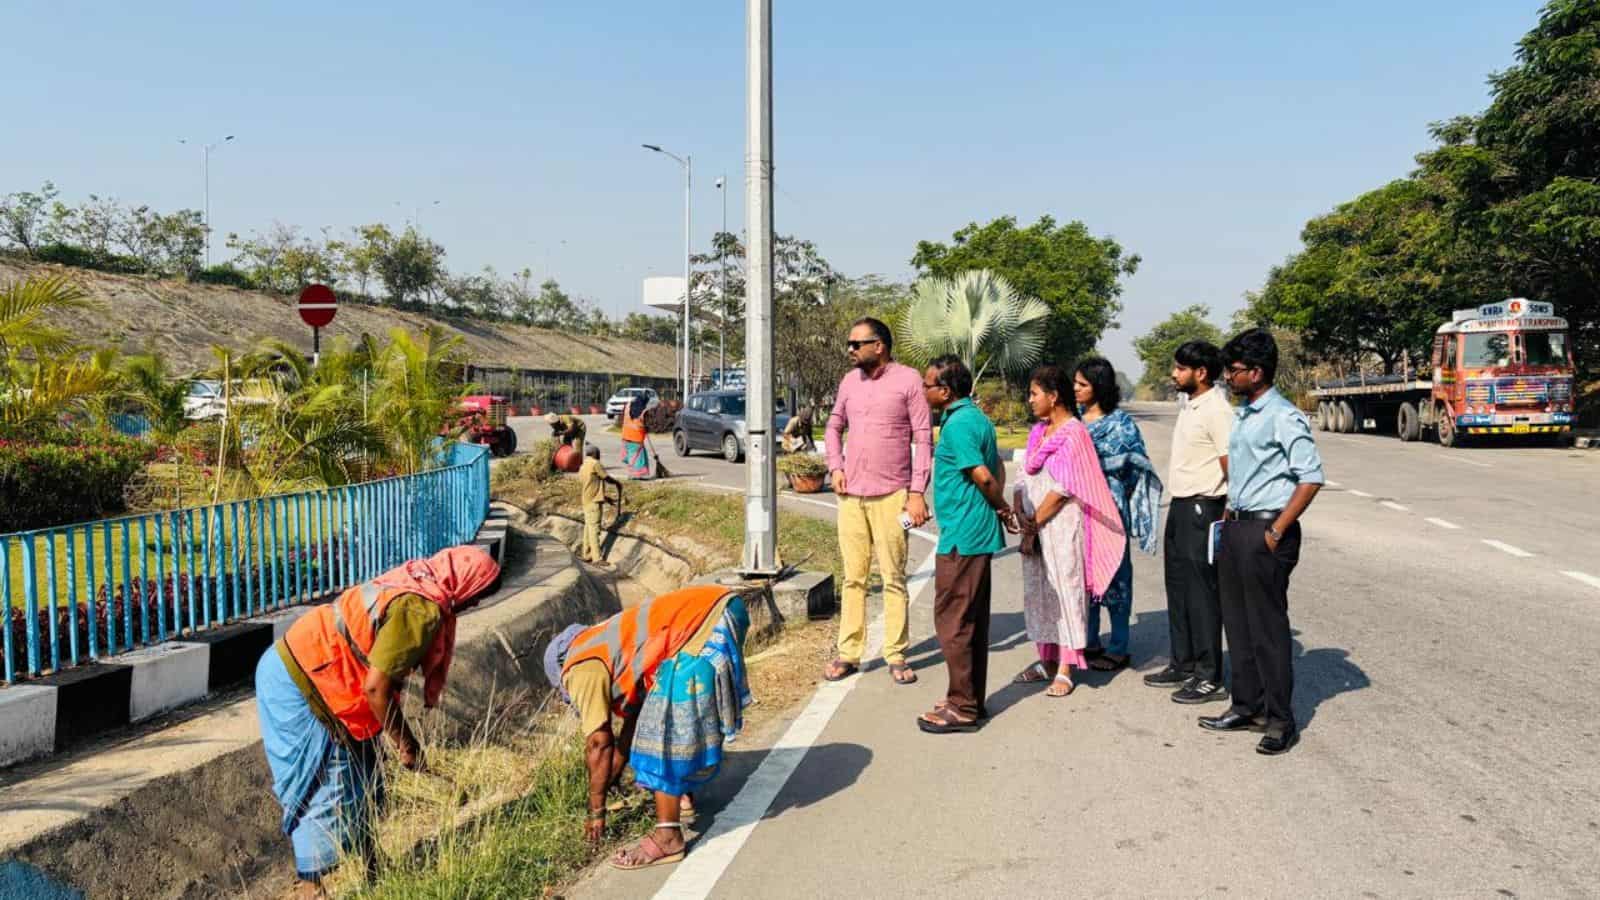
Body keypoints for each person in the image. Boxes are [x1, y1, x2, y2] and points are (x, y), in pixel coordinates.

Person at [255, 546, 502, 899]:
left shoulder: (417, 583)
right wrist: (407, 743)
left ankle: (374, 867)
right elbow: (376, 688)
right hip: (301, 679)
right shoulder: (421, 609)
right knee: (327, 780)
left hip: (318, 667)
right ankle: (311, 887)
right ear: (468, 583)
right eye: (477, 597)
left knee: (366, 770)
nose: (473, 605)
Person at [543, 584, 757, 870]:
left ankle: (668, 836)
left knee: (662, 732)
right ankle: (683, 796)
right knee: (660, 722)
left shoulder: (579, 666)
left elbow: (599, 743)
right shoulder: (610, 644)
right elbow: (630, 731)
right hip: (721, 607)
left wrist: (596, 810)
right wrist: (612, 777)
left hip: (705, 621)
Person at [1199, 328, 1324, 756]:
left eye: (1233, 372)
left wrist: (1275, 531)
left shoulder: (1282, 416)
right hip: (1236, 527)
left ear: (1256, 372)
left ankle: (1279, 720)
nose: (1227, 379)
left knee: (1268, 628)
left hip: (1266, 531)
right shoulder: (1246, 414)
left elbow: (1310, 478)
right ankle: (1246, 705)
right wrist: (1230, 514)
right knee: (1237, 622)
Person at [822, 316, 932, 686]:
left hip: (893, 495)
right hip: (850, 495)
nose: (850, 350)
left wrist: (916, 492)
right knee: (853, 577)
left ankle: (896, 653)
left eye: (857, 344)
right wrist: (835, 466)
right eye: (849, 344)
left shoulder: (909, 380)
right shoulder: (849, 382)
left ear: (879, 346)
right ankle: (849, 652)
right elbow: (833, 426)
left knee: (892, 577)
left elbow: (922, 437)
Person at [1011, 365, 1126, 698]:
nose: (1030, 400)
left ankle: (1066, 667)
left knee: (1066, 592)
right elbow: (1023, 475)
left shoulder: (1074, 433)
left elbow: (1064, 487)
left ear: (1053, 395)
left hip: (1061, 526)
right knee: (1040, 593)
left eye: (1034, 393)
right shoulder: (1038, 432)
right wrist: (1022, 510)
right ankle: (1045, 660)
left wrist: (1036, 522)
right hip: (1035, 527)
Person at [915, 355, 1014, 734]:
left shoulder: (958, 426)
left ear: (945, 390)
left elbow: (985, 476)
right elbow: (999, 468)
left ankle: (962, 707)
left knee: (952, 621)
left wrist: (1003, 510)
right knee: (970, 620)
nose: (924, 390)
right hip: (972, 532)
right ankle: (968, 697)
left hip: (963, 537)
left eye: (928, 384)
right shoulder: (975, 418)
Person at [1147, 340, 1234, 704]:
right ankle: (1182, 662)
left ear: (1201, 373)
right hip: (1182, 505)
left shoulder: (1217, 409)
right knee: (1178, 587)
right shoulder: (1191, 405)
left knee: (1202, 594)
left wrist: (1231, 508)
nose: (1173, 373)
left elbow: (1231, 462)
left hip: (1204, 506)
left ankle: (1208, 675)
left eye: (1180, 368)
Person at [1073, 358, 1163, 672]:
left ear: (1098, 387)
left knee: (1115, 576)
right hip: (1076, 510)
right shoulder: (1075, 421)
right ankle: (1089, 640)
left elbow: (1137, 467)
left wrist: (1113, 496)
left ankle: (1119, 645)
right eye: (1076, 383)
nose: (1076, 389)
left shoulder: (1121, 424)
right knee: (1085, 577)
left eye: (1082, 384)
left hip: (1110, 512)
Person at [579, 445, 619, 564]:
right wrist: (617, 484)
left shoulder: (583, 466)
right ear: (595, 454)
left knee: (588, 527)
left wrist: (606, 498)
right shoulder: (595, 463)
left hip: (586, 500)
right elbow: (606, 477)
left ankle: (586, 554)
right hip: (593, 503)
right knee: (594, 529)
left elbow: (591, 485)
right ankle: (597, 558)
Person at [619, 395, 654, 479]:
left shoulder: (628, 406)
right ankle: (637, 475)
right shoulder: (643, 411)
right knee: (638, 459)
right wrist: (646, 427)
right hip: (636, 439)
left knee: (633, 457)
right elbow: (644, 423)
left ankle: (633, 475)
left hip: (626, 437)